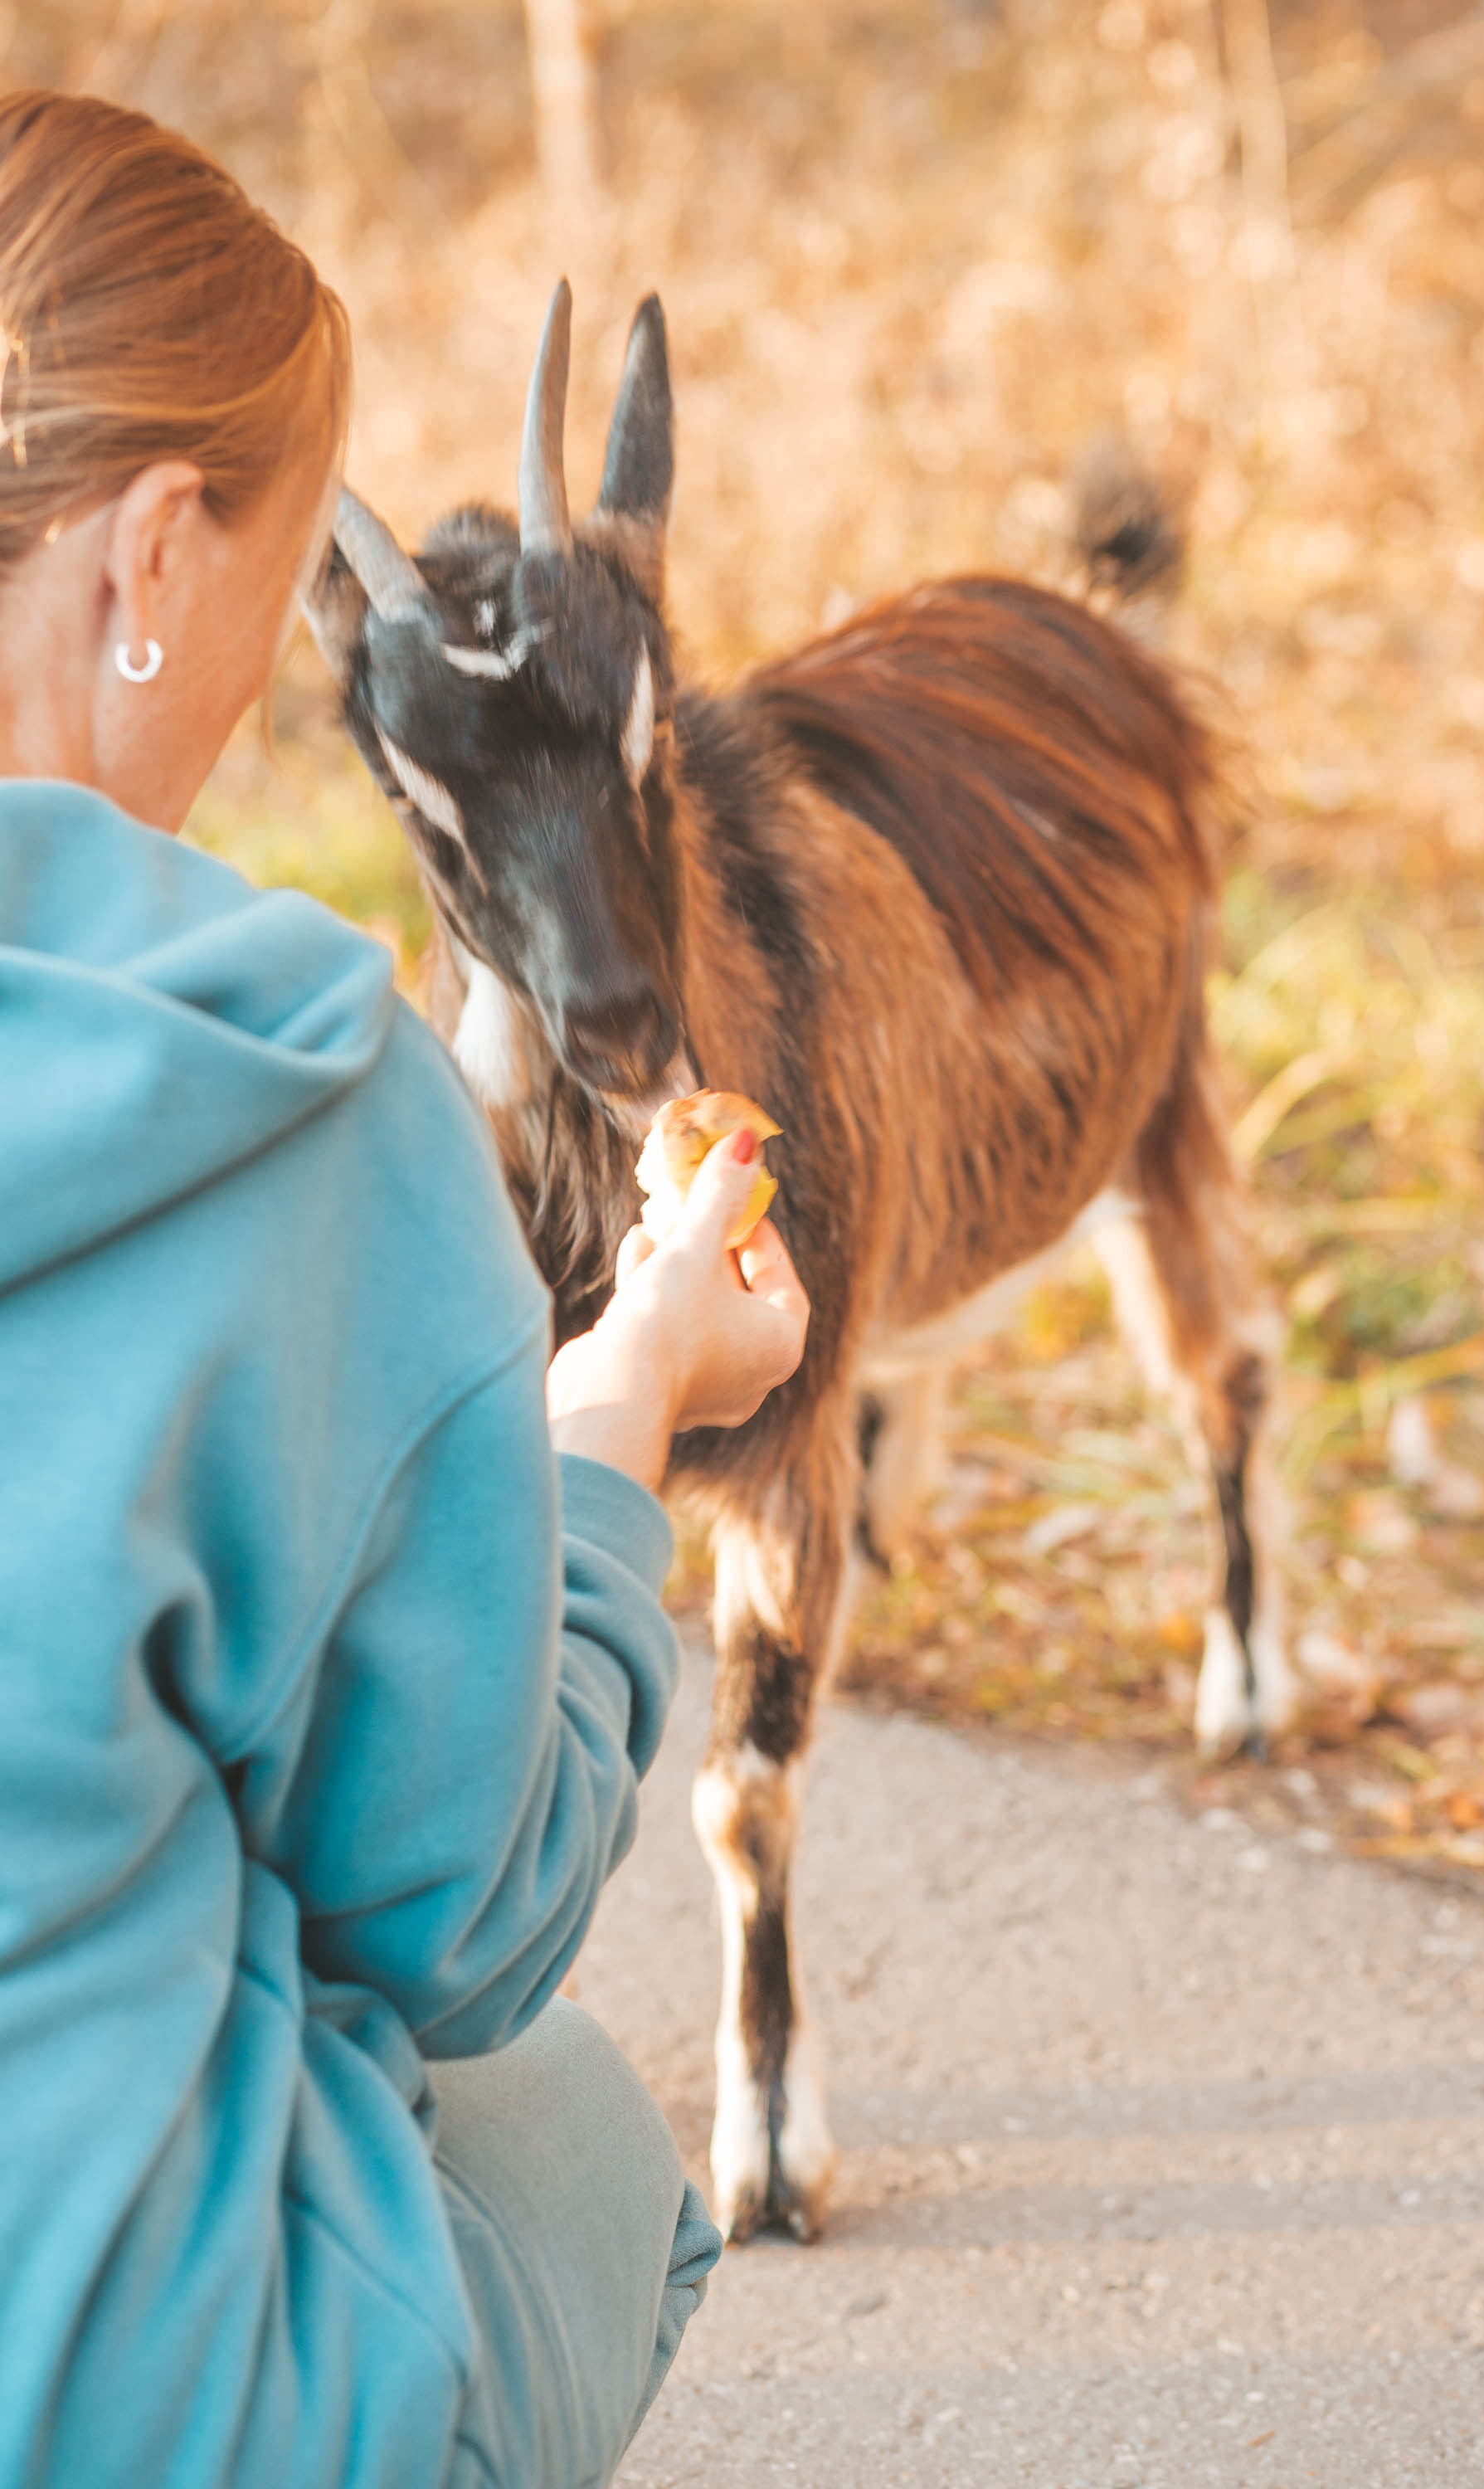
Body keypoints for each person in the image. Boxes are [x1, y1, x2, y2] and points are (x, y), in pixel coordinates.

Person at [0, 87, 809, 2489]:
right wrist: (622, 1408)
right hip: (119, 2404)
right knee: (565, 2131)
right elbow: (458, 1910)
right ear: (157, 548)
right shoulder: (277, 1084)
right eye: (287, 611)